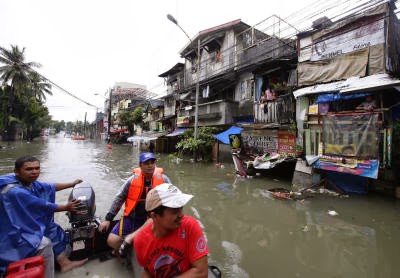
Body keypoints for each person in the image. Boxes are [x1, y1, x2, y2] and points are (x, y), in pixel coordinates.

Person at [0, 156, 88, 277]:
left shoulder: (21, 180)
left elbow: (48, 187)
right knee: (44, 243)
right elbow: (43, 205)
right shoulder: (16, 191)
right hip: (11, 228)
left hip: (20, 218)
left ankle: (64, 263)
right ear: (17, 172)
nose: (34, 172)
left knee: (50, 228)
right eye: (29, 169)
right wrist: (66, 207)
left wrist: (71, 184)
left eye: (37, 168)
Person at [98, 152, 171, 253]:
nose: (150, 166)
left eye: (152, 162)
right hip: (133, 218)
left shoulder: (164, 180)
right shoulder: (131, 181)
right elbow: (119, 198)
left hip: (154, 219)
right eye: (146, 163)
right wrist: (108, 219)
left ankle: (132, 244)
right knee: (112, 241)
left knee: (153, 242)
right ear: (140, 165)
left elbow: (172, 199)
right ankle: (125, 251)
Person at [134, 183, 209, 278]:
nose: (181, 215)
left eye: (181, 208)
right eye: (175, 211)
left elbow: (201, 272)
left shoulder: (190, 226)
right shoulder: (140, 241)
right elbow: (148, 271)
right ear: (155, 216)